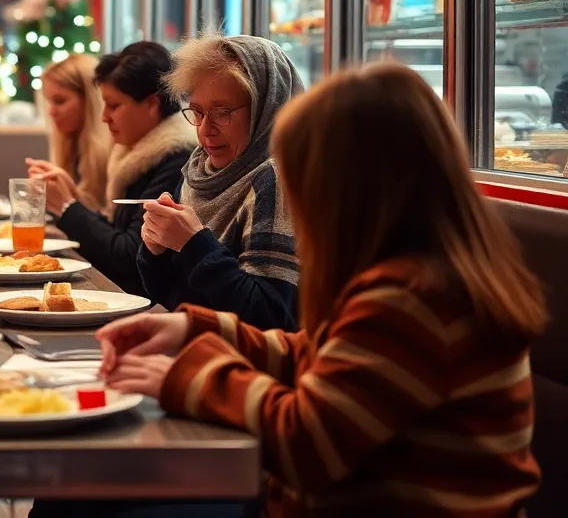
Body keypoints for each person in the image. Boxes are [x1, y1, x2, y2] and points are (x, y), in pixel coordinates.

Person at [98, 63, 547, 517]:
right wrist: (190, 331)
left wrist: (186, 377)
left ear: (354, 186)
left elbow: (305, 445)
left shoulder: (416, 296)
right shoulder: (415, 270)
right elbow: (317, 355)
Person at [138, 34, 302, 332]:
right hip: (203, 349)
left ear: (266, 109)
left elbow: (270, 318)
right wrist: (154, 251)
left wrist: (193, 244)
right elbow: (175, 298)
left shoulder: (276, 179)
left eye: (222, 113)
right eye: (197, 112)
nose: (205, 129)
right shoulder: (200, 169)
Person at [31, 42, 197, 296]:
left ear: (152, 104)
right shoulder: (134, 152)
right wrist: (70, 202)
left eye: (114, 105)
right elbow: (115, 232)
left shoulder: (175, 158)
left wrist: (68, 208)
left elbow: (130, 254)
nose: (104, 116)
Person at [26, 54, 112, 212]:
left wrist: (66, 196)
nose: (51, 112)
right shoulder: (70, 145)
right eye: (49, 102)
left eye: (59, 101)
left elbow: (104, 230)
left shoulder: (114, 154)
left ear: (89, 100)